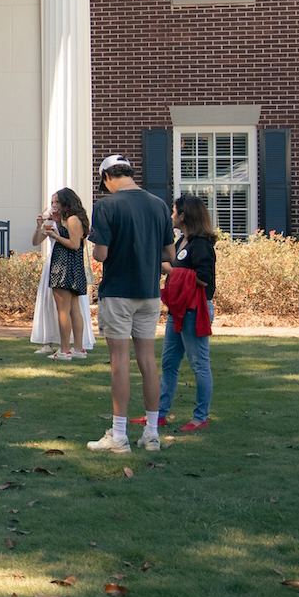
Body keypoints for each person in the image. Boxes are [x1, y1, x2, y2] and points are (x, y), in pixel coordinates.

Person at [85, 154, 174, 454]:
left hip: (119, 291)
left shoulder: (106, 205)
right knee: (148, 362)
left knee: (119, 363)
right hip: (149, 292)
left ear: (108, 177)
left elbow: (101, 255)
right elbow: (169, 255)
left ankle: (119, 435)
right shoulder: (159, 204)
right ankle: (151, 434)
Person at [158, 195, 219, 432]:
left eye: (174, 211)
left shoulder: (201, 244)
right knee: (169, 362)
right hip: (179, 309)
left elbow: (204, 279)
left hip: (195, 309)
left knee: (199, 363)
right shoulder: (182, 240)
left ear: (184, 215)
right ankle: (160, 413)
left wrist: (171, 271)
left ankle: (200, 416)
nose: (171, 215)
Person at [32, 188, 91, 360]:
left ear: (67, 202)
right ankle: (78, 349)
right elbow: (36, 241)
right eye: (52, 202)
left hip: (64, 266)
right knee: (73, 309)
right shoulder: (59, 221)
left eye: (57, 202)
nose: (54, 206)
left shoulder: (73, 220)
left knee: (64, 310)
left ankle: (65, 350)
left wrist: (55, 236)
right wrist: (40, 227)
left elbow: (74, 244)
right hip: (70, 266)